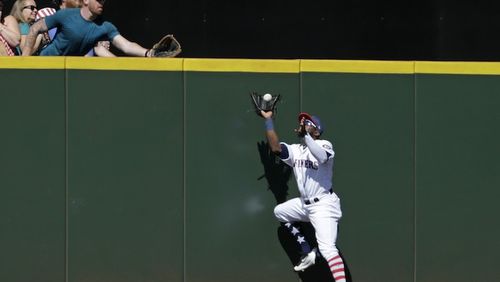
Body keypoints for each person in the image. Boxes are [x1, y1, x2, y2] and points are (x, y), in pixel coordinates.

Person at [260, 110, 347, 282]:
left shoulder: (325, 145)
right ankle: (308, 251)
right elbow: (276, 148)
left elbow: (322, 157)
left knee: (328, 250)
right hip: (305, 204)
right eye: (302, 122)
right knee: (280, 212)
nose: (303, 124)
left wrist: (306, 136)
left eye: (308, 123)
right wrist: (268, 121)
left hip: (324, 205)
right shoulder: (297, 150)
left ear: (317, 130)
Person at [22, 0, 151, 56]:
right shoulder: (65, 15)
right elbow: (35, 28)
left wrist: (148, 53)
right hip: (46, 66)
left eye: (104, 0)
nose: (102, 3)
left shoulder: (106, 26)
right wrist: (24, 62)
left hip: (68, 74)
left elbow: (126, 46)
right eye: (98, 0)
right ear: (86, 1)